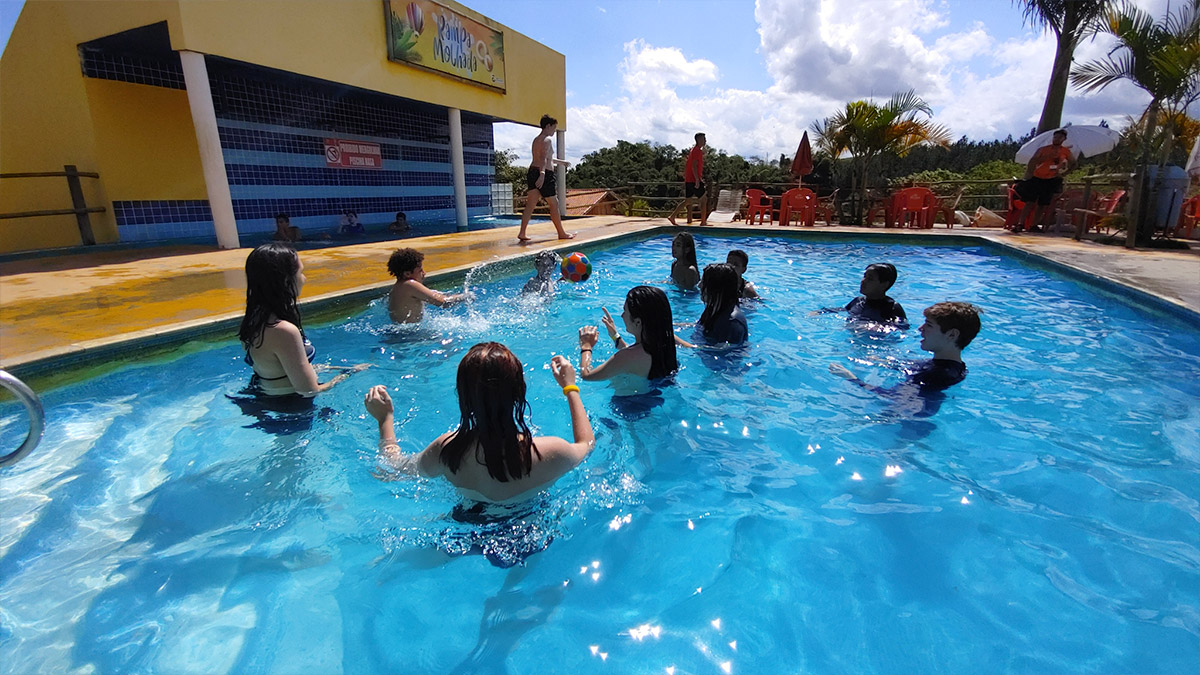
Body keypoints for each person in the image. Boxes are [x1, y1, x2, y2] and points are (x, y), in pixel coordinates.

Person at [363, 343, 596, 504]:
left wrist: (385, 420)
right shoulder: (549, 452)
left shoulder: (448, 450)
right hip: (530, 527)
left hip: (469, 522)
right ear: (519, 393)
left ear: (463, 397)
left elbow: (394, 469)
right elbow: (587, 444)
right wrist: (570, 387)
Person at [238, 242, 369, 396]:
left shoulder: (253, 320)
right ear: (287, 281)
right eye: (301, 272)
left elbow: (281, 367)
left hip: (265, 397)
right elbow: (309, 391)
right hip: (292, 408)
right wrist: (347, 376)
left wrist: (341, 368)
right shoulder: (283, 331)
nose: (304, 279)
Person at [829, 301, 981, 393]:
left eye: (928, 325)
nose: (920, 329)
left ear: (951, 335)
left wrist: (852, 378)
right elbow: (917, 367)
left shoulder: (936, 375)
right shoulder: (952, 366)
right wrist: (886, 362)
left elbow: (891, 397)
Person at [577, 286, 681, 386]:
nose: (622, 315)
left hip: (626, 403)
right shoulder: (665, 344)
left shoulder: (626, 356)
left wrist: (586, 346)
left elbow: (587, 375)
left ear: (637, 322)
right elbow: (634, 358)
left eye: (625, 311)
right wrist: (615, 336)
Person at [517, 114, 574, 243]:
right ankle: (561, 233)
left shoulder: (536, 140)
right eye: (554, 128)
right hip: (544, 174)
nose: (554, 131)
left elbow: (545, 158)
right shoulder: (547, 140)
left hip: (532, 171)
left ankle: (522, 232)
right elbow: (543, 159)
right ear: (548, 126)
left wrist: (561, 162)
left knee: (530, 204)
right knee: (554, 204)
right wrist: (542, 174)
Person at [387, 247, 473, 323]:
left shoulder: (398, 288)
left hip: (403, 333)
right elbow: (443, 302)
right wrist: (464, 296)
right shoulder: (410, 284)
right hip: (411, 335)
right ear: (407, 274)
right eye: (420, 270)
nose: (424, 273)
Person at [1013, 128, 1072, 233]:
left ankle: (1034, 225)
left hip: (1051, 179)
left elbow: (1073, 163)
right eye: (1055, 137)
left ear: (1064, 139)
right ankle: (1020, 224)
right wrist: (1046, 157)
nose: (1057, 139)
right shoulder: (1043, 149)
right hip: (1037, 177)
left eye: (1060, 137)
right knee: (1029, 202)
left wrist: (1064, 173)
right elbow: (1033, 161)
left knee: (1043, 203)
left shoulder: (1065, 151)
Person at [815, 263, 907, 325]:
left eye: (870, 279)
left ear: (884, 284)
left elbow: (902, 328)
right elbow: (844, 309)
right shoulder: (858, 301)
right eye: (864, 276)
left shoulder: (892, 307)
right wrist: (821, 311)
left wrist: (874, 328)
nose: (863, 281)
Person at [697, 263, 748, 345]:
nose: (699, 286)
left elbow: (721, 352)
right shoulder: (713, 308)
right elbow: (702, 326)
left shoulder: (732, 322)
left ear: (716, 288)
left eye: (703, 282)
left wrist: (677, 342)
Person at [667, 132, 708, 226]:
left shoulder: (693, 150)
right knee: (704, 199)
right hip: (693, 180)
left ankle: (672, 216)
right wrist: (697, 179)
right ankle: (703, 222)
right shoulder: (697, 151)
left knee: (688, 201)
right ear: (698, 140)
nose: (705, 141)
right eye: (704, 139)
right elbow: (694, 166)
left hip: (689, 179)